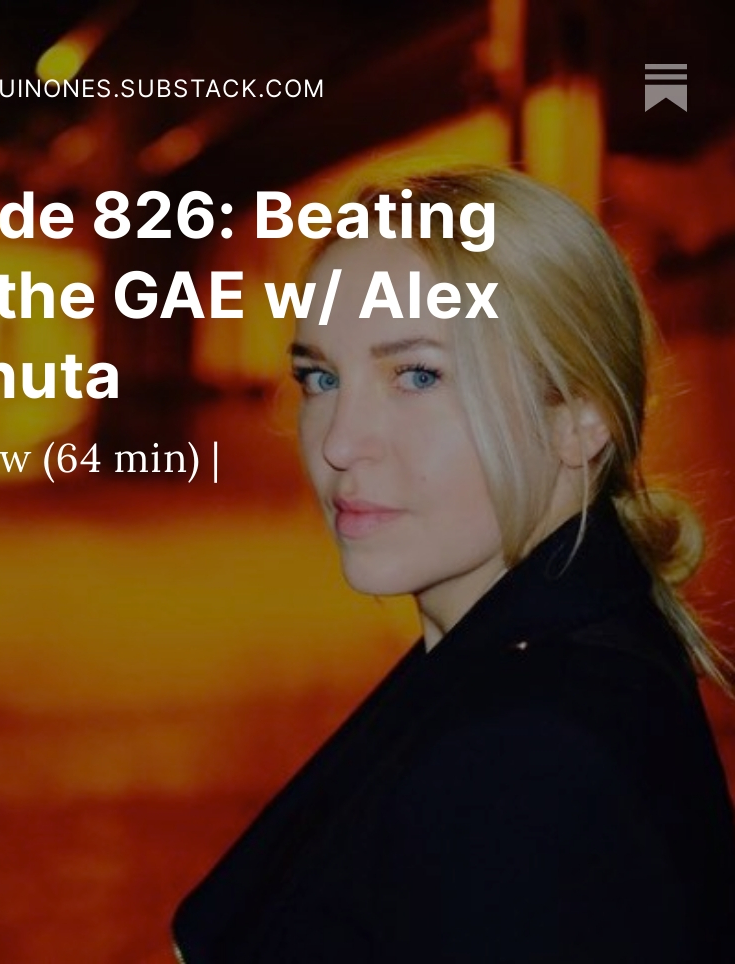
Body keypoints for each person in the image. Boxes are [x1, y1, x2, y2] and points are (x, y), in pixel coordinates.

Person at [172, 168, 735, 963]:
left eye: (418, 375)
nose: (339, 441)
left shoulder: (527, 759)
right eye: (321, 378)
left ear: (580, 417)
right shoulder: (530, 663)